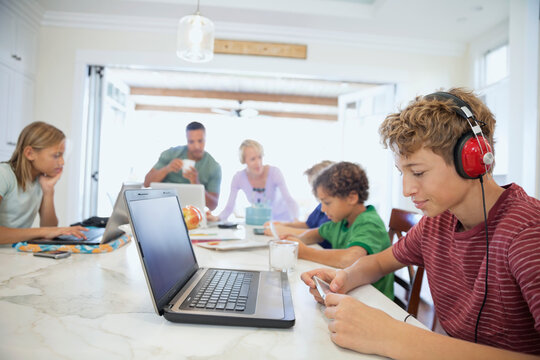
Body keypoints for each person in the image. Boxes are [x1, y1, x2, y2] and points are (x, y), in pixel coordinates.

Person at [301, 88, 540, 358]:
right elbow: (379, 263)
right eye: (402, 172)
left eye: (418, 172)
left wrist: (394, 337)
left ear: (473, 160)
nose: (406, 189)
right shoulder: (435, 223)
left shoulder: (528, 235)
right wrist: (343, 279)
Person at [287, 161, 393, 299]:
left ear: (352, 197)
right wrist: (294, 240)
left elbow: (351, 259)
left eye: (327, 203)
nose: (323, 209)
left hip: (375, 300)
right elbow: (315, 234)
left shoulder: (369, 222)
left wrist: (305, 252)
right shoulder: (342, 221)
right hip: (350, 291)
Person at [0, 121, 87, 245]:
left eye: (62, 155)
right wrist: (44, 231)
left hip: (14, 253)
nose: (62, 162)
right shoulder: (3, 175)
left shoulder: (38, 181)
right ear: (30, 153)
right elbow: (48, 231)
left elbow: (49, 228)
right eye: (56, 155)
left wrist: (48, 190)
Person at [207, 139, 298, 222]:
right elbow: (230, 207)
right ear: (244, 160)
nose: (258, 163)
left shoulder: (275, 173)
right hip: (261, 222)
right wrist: (217, 218)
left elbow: (289, 200)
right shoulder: (238, 178)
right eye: (253, 159)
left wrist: (296, 221)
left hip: (283, 220)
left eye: (260, 157)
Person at [143, 122, 221, 210]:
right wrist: (167, 169)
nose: (197, 146)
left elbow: (213, 205)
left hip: (192, 212)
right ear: (186, 140)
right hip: (162, 207)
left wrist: (196, 183)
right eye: (191, 142)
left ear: (205, 139)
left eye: (200, 141)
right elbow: (146, 183)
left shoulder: (214, 167)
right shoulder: (171, 154)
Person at [263, 160, 333, 243]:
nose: (313, 192)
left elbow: (319, 234)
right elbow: (308, 225)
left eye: (314, 187)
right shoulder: (320, 206)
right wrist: (283, 224)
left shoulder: (334, 211)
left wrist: (285, 230)